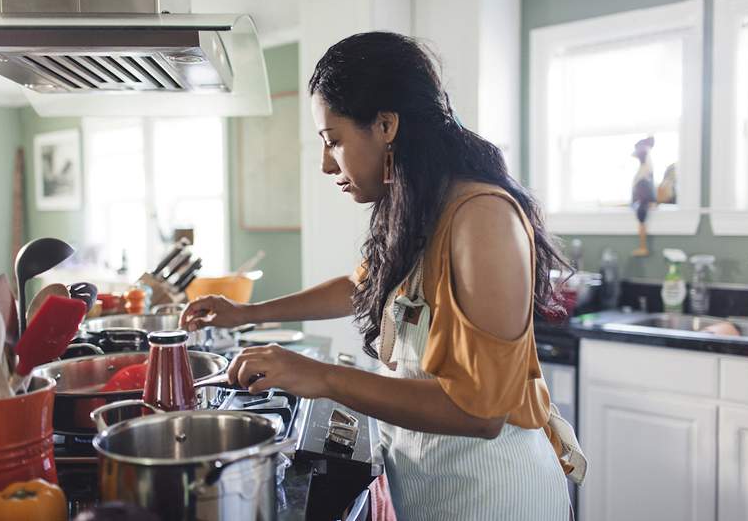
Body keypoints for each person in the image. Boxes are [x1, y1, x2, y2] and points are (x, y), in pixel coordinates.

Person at [181, 31, 572, 520]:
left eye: (334, 141)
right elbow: (362, 286)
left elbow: (481, 411)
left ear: (386, 124)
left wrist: (321, 376)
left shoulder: (482, 218)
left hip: (494, 498)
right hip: (433, 492)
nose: (327, 164)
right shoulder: (418, 205)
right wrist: (249, 312)